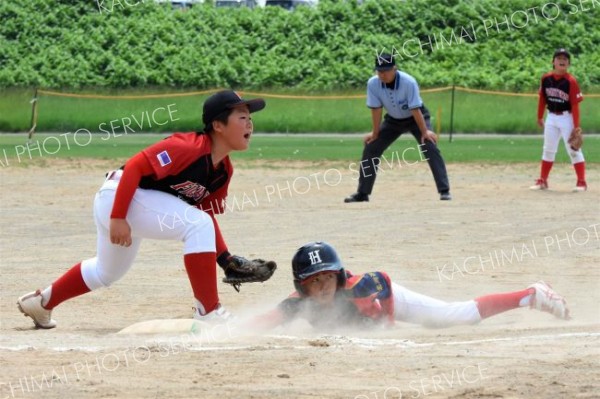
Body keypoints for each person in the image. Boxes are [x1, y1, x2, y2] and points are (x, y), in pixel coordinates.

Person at [17, 90, 270, 329]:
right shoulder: (188, 147)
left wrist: (225, 260)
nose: (250, 124)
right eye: (242, 117)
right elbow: (136, 166)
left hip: (135, 204)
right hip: (120, 196)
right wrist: (117, 217)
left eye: (250, 118)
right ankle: (209, 311)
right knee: (197, 224)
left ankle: (41, 303)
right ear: (217, 125)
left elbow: (206, 212)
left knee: (107, 272)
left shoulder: (223, 171)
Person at [252, 242, 570, 330]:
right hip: (374, 309)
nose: (323, 286)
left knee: (454, 317)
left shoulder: (357, 289)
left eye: (328, 277)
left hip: (391, 300)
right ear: (302, 285)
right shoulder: (297, 303)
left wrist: (388, 320)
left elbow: (384, 282)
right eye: (314, 280)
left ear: (339, 275)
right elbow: (262, 323)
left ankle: (532, 294)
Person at [344, 53, 451, 203]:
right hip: (393, 120)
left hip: (416, 118)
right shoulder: (373, 84)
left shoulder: (409, 82)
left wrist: (425, 131)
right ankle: (362, 193)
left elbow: (415, 109)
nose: (383, 74)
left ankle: (444, 190)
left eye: (386, 70)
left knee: (429, 145)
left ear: (394, 68)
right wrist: (375, 133)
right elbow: (376, 109)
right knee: (371, 147)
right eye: (379, 71)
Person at [531, 48, 586, 192]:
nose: (562, 60)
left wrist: (576, 126)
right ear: (553, 62)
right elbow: (543, 98)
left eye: (565, 59)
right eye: (559, 58)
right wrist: (539, 116)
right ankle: (543, 180)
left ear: (568, 64)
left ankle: (581, 182)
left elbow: (574, 105)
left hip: (566, 117)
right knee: (548, 149)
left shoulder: (571, 81)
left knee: (573, 149)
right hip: (551, 117)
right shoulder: (546, 78)